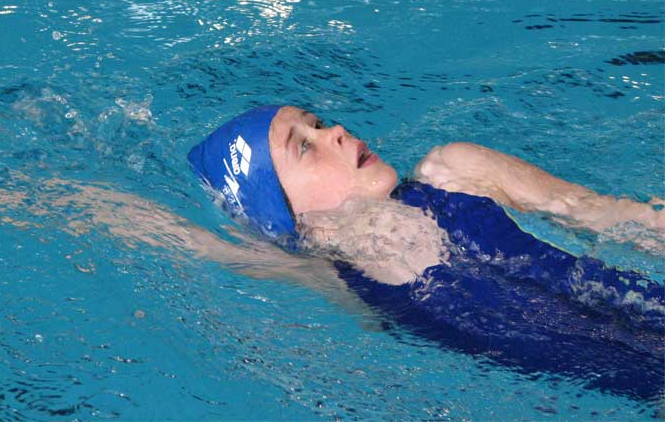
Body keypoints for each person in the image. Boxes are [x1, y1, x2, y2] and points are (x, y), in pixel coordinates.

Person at [188, 105, 665, 401]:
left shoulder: (457, 172)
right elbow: (175, 235)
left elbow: (615, 218)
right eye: (304, 147)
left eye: (317, 123)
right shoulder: (328, 272)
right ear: (284, 214)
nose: (336, 131)